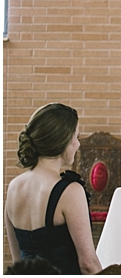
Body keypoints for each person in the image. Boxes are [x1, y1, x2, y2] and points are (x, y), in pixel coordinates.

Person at [4, 103, 103, 275]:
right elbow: (88, 264)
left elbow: (18, 262)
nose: (78, 145)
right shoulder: (70, 191)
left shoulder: (14, 187)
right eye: (76, 137)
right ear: (62, 140)